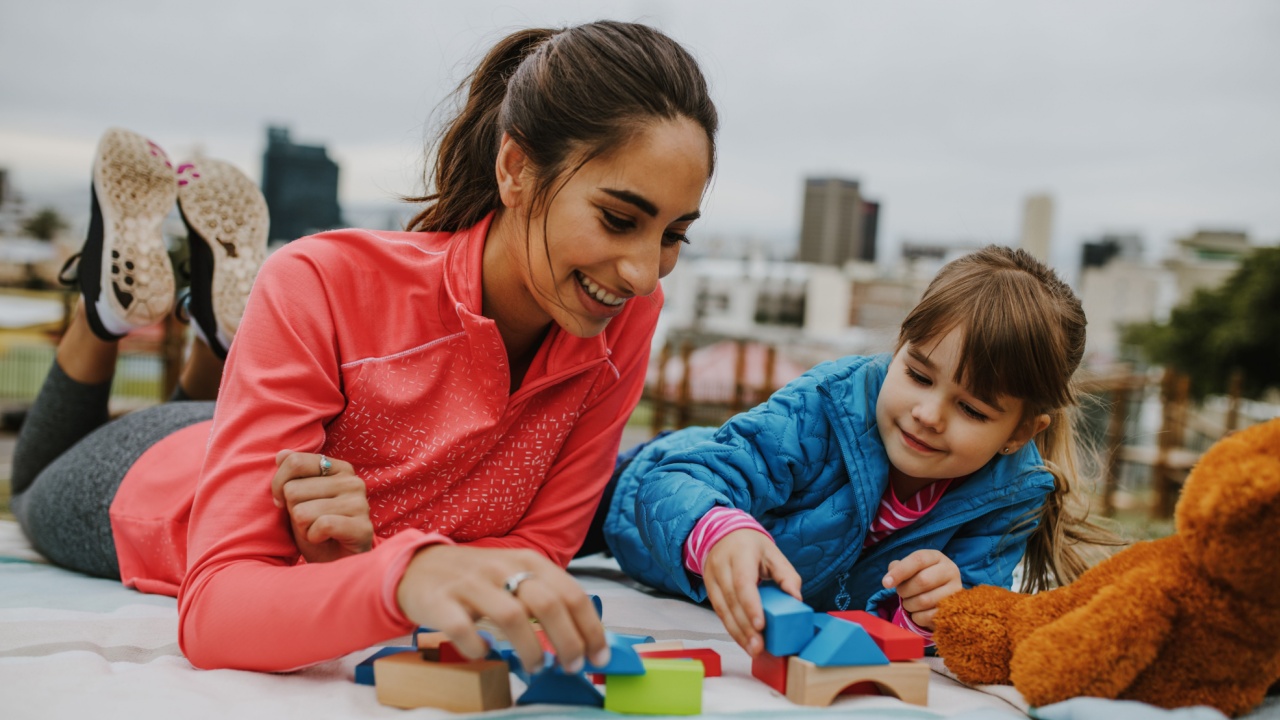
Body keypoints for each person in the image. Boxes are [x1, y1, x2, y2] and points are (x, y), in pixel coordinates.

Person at [10, 20, 718, 676]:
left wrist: (374, 553)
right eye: (618, 218)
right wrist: (401, 573)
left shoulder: (623, 314)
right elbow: (217, 610)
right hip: (161, 481)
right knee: (30, 485)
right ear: (516, 170)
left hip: (262, 441)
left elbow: (535, 557)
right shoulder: (323, 280)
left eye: (673, 235)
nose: (643, 269)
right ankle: (104, 317)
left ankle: (214, 337)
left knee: (245, 430)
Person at [600, 246, 1121, 656]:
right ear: (898, 348)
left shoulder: (1010, 498)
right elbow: (672, 484)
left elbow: (964, 622)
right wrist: (720, 531)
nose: (928, 414)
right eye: (918, 375)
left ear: (1020, 433)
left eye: (972, 410)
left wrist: (933, 613)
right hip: (623, 496)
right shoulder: (826, 407)